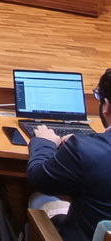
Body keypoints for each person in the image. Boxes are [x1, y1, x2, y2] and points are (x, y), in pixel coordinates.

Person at [27, 68, 111, 241]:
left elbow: (38, 178)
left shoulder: (83, 150)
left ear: (106, 106)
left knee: (40, 199)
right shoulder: (86, 148)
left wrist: (45, 143)